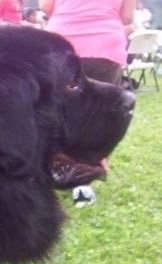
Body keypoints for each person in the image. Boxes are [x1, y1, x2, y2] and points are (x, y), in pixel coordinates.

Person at [39, 0, 136, 195]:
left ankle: (50, 170)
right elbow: (127, 16)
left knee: (57, 112)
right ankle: (82, 184)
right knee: (98, 116)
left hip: (63, 41)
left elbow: (46, 7)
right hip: (105, 43)